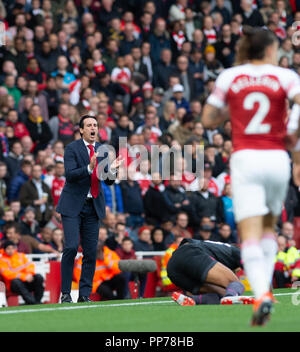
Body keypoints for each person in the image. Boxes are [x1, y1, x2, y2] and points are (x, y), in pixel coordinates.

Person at [202, 26, 300, 326]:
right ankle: (264, 290)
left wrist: (229, 112)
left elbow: (207, 118)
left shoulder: (230, 77)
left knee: (250, 232)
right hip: (276, 157)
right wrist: (293, 135)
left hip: (246, 158)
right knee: (270, 226)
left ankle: (262, 293)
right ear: (271, 50)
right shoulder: (285, 77)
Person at [56, 114, 124, 303]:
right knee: (70, 247)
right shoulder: (72, 148)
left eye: (95, 125)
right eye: (89, 125)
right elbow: (70, 175)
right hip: (72, 206)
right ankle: (66, 293)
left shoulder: (103, 149)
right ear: (81, 130)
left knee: (91, 251)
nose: (93, 128)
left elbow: (108, 180)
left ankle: (84, 295)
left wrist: (114, 169)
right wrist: (89, 167)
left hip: (92, 206)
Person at [168, 238, 254, 306]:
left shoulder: (219, 250)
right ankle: (230, 298)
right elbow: (253, 269)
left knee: (224, 293)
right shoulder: (237, 251)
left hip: (173, 269)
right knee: (237, 284)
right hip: (190, 253)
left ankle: (193, 300)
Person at [0, 240, 44, 305]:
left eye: (12, 248)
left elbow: (30, 265)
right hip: (12, 285)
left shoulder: (21, 256)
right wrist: (23, 277)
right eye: (8, 248)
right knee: (16, 281)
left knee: (38, 277)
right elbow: (7, 274)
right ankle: (32, 302)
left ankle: (37, 301)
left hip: (26, 280)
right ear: (4, 249)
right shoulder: (2, 260)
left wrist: (29, 274)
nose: (11, 250)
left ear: (15, 248)